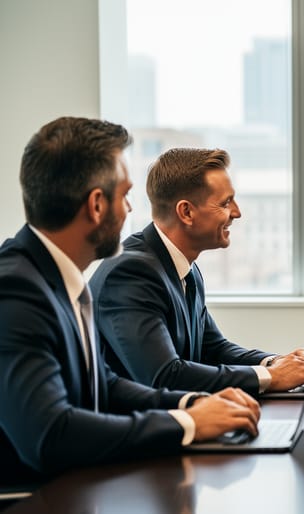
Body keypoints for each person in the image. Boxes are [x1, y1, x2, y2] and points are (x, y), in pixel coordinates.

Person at [0, 117, 260, 485]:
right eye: (124, 196)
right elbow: (51, 435)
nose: (130, 211)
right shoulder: (15, 290)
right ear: (96, 205)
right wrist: (186, 424)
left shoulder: (58, 278)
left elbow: (102, 385)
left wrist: (191, 405)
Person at [89, 148, 304, 395]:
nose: (237, 213)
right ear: (186, 212)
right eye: (226, 203)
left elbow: (213, 349)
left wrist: (275, 363)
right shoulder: (130, 272)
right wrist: (270, 377)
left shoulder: (185, 268)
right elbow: (164, 375)